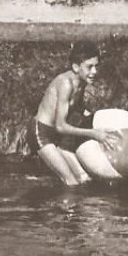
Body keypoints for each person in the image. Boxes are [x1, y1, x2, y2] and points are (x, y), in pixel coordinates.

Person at [32, 44, 119, 186]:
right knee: (71, 182)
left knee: (85, 179)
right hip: (41, 133)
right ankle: (59, 207)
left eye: (96, 66)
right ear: (76, 67)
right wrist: (93, 133)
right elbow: (60, 126)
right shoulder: (66, 84)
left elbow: (76, 106)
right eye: (89, 67)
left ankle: (69, 204)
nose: (95, 71)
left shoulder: (82, 81)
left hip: (57, 136)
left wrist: (95, 118)